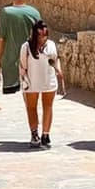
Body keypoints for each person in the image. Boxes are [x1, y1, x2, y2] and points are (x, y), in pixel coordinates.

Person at [19, 20, 62, 148]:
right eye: (40, 35)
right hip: (32, 82)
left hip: (48, 81)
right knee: (31, 107)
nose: (43, 38)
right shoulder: (26, 47)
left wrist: (59, 70)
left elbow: (54, 60)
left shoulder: (51, 45)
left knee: (48, 106)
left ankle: (46, 134)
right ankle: (34, 133)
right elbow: (23, 65)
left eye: (45, 35)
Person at [0, 0, 40, 96]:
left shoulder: (7, 12)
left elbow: (2, 38)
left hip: (12, 59)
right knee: (30, 89)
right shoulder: (34, 12)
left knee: (22, 88)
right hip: (31, 56)